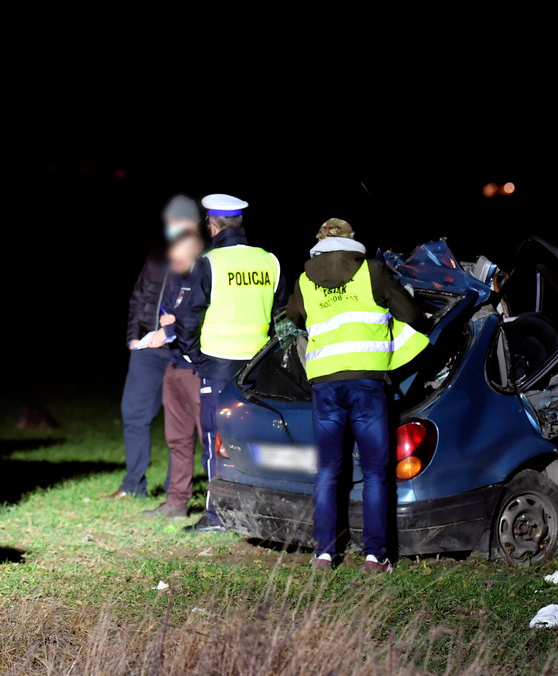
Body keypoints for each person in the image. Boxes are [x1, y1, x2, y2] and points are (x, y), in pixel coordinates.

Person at [285, 218, 428, 572]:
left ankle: (323, 554)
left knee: (328, 470)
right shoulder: (372, 272)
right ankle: (374, 556)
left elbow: (294, 317)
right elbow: (411, 315)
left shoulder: (305, 280)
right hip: (366, 384)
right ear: (352, 241)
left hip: (324, 385)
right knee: (377, 473)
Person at [178, 194, 286, 532]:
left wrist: (194, 355)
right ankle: (269, 508)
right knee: (259, 436)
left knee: (215, 438)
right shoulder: (270, 261)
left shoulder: (208, 262)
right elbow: (281, 315)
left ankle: (217, 516)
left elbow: (188, 316)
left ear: (213, 226)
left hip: (219, 363)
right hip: (259, 365)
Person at [110, 195, 201, 499]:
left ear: (192, 224)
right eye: (169, 222)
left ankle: (180, 490)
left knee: (186, 424)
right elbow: (139, 298)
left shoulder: (205, 259)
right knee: (134, 414)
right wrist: (133, 338)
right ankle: (133, 485)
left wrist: (175, 332)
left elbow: (202, 306)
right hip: (148, 349)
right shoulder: (157, 256)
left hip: (183, 350)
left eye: (178, 222)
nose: (172, 227)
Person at [141, 229, 206, 518]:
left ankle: (217, 507)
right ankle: (177, 502)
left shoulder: (207, 279)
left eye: (178, 258)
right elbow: (168, 309)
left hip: (199, 370)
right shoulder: (178, 279)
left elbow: (197, 320)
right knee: (178, 439)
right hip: (176, 366)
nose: (173, 263)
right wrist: (166, 324)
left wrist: (171, 326)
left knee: (209, 441)